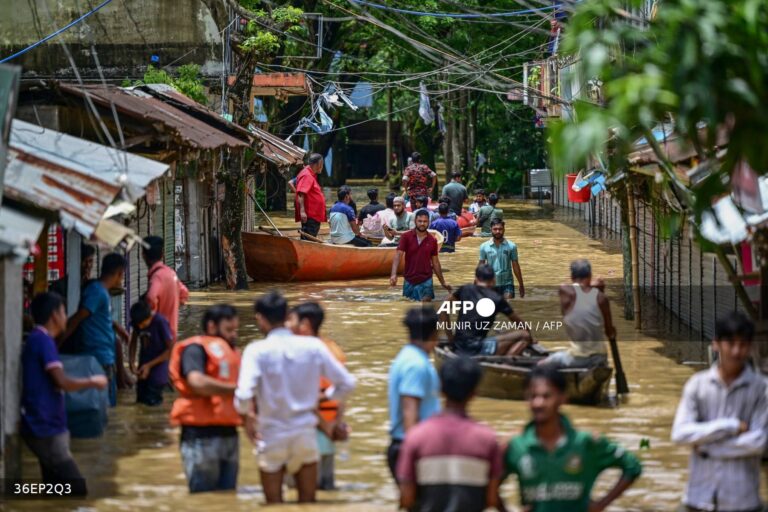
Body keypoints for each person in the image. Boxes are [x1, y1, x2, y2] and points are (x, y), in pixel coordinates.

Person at [235, 292, 355, 504]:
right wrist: (323, 398)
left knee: (273, 504)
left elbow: (244, 395)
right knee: (308, 503)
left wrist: (248, 420)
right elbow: (347, 383)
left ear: (260, 318)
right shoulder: (313, 347)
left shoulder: (256, 351)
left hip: (272, 435)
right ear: (286, 315)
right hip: (305, 434)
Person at [502, 366, 642, 511]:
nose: (539, 403)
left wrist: (601, 505)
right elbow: (491, 488)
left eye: (546, 396)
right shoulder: (515, 445)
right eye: (533, 396)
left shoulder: (586, 442)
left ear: (562, 398)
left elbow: (632, 466)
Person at [671, 311, 767, 512]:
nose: (736, 351)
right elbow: (679, 434)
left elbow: (758, 442)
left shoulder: (762, 389)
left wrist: (707, 447)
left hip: (743, 502)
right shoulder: (697, 385)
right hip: (698, 500)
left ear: (750, 347)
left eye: (743, 345)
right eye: (730, 343)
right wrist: (730, 426)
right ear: (716, 344)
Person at [21, 292, 108, 496]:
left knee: (54, 490)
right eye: (63, 312)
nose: (65, 317)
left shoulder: (37, 339)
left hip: (40, 424)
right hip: (45, 427)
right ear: (54, 315)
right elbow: (61, 382)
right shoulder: (43, 341)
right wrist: (93, 381)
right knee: (77, 489)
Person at [397, 356, 502, 512]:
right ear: (474, 393)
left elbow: (406, 498)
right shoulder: (488, 439)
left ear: (440, 389)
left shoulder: (416, 437)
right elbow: (492, 498)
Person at [169, 304, 241, 493]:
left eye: (235, 330)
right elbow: (196, 382)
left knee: (227, 498)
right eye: (228, 330)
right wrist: (235, 389)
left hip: (229, 434)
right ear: (211, 327)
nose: (233, 335)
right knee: (204, 496)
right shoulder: (195, 349)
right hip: (200, 436)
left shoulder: (233, 354)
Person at [287, 302, 350, 491]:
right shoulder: (333, 349)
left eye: (292, 320)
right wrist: (336, 426)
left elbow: (302, 396)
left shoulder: (299, 352)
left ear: (304, 324)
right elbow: (342, 393)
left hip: (307, 432)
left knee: (299, 496)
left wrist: (326, 428)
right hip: (329, 434)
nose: (288, 325)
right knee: (326, 494)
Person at [61, 252, 128, 407]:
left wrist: (117, 327)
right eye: (122, 275)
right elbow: (78, 318)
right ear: (119, 273)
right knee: (102, 405)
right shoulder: (96, 292)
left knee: (105, 405)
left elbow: (96, 317)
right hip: (96, 357)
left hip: (103, 356)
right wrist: (57, 341)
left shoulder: (100, 292)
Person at [387, 307, 441, 481]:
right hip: (411, 448)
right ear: (434, 333)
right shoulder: (416, 365)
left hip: (409, 446)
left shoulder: (408, 356)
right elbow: (410, 414)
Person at [441, 264, 532, 357]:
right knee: (524, 335)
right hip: (478, 349)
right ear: (493, 281)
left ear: (476, 280)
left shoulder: (465, 289)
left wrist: (450, 338)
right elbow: (521, 324)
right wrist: (531, 339)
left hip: (458, 346)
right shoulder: (497, 298)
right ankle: (505, 365)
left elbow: (443, 308)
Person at [539, 259, 614, 368]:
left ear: (572, 277)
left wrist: (595, 286)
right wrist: (598, 287)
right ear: (590, 276)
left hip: (578, 358)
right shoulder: (602, 298)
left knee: (541, 365)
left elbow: (571, 287)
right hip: (600, 357)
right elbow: (610, 332)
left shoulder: (566, 291)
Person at [390, 210, 451, 303]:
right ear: (415, 221)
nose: (422, 224)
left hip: (426, 279)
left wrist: (443, 282)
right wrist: (393, 274)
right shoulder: (406, 237)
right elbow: (398, 255)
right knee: (408, 306)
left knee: (426, 306)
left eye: (425, 221)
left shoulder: (432, 240)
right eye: (420, 221)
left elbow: (435, 262)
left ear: (428, 222)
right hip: (409, 279)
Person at [143, 235, 189, 342]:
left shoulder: (157, 276)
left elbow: (151, 297)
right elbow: (184, 293)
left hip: (156, 336)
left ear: (143, 256)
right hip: (171, 334)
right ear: (162, 255)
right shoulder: (171, 273)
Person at [128, 299, 173, 406]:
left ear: (149, 317)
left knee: (154, 403)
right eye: (138, 325)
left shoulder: (160, 322)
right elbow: (133, 341)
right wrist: (131, 362)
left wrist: (149, 365)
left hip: (158, 371)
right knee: (140, 402)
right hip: (143, 368)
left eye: (143, 324)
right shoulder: (137, 322)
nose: (140, 327)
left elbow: (170, 350)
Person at [479, 219, 525, 299]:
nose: (497, 231)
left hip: (507, 283)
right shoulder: (484, 246)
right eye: (495, 229)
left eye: (500, 229)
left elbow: (515, 266)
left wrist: (521, 284)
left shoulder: (511, 246)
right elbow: (481, 266)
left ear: (504, 229)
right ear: (491, 230)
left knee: (507, 307)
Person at [295, 153, 328, 239]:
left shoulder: (310, 174)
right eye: (322, 164)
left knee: (310, 237)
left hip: (313, 215)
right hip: (310, 215)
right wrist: (302, 211)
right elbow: (301, 193)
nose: (322, 166)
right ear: (318, 164)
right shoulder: (307, 175)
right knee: (308, 238)